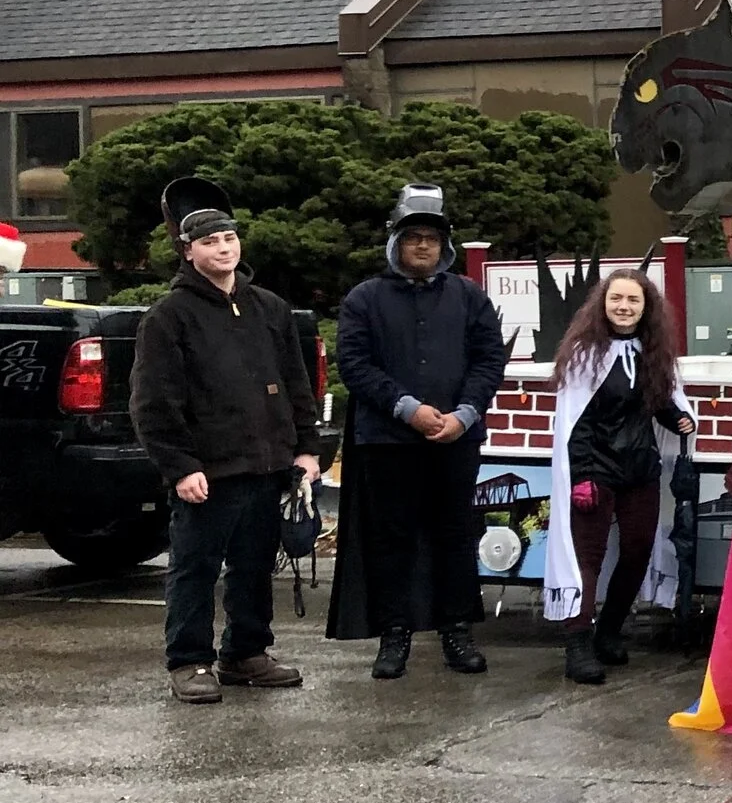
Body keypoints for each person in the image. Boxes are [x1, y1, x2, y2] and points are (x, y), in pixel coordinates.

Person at [130, 179, 323, 705]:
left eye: (230, 238)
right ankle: (190, 661)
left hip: (268, 465)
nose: (224, 248)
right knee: (194, 568)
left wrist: (306, 449)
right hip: (207, 472)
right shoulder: (168, 317)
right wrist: (179, 465)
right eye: (212, 242)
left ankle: (246, 653)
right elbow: (153, 403)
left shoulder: (270, 308)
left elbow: (296, 383)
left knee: (256, 566)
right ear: (188, 251)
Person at [330, 184, 510, 679]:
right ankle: (394, 635)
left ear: (444, 246)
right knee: (394, 540)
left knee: (455, 535)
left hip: (457, 440)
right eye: (414, 238)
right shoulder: (364, 299)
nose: (424, 246)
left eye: (432, 238)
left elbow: (490, 359)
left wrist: (466, 414)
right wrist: (407, 408)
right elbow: (354, 364)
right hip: (388, 443)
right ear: (396, 243)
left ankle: (457, 632)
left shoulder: (469, 297)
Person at [546, 269, 697, 686]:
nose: (624, 307)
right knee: (586, 560)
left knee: (636, 551)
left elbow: (658, 400)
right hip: (596, 469)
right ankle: (577, 643)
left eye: (633, 300)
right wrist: (582, 475)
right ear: (603, 302)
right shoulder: (584, 353)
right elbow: (576, 421)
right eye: (617, 299)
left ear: (645, 307)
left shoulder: (652, 352)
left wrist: (678, 417)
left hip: (640, 468)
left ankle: (609, 629)